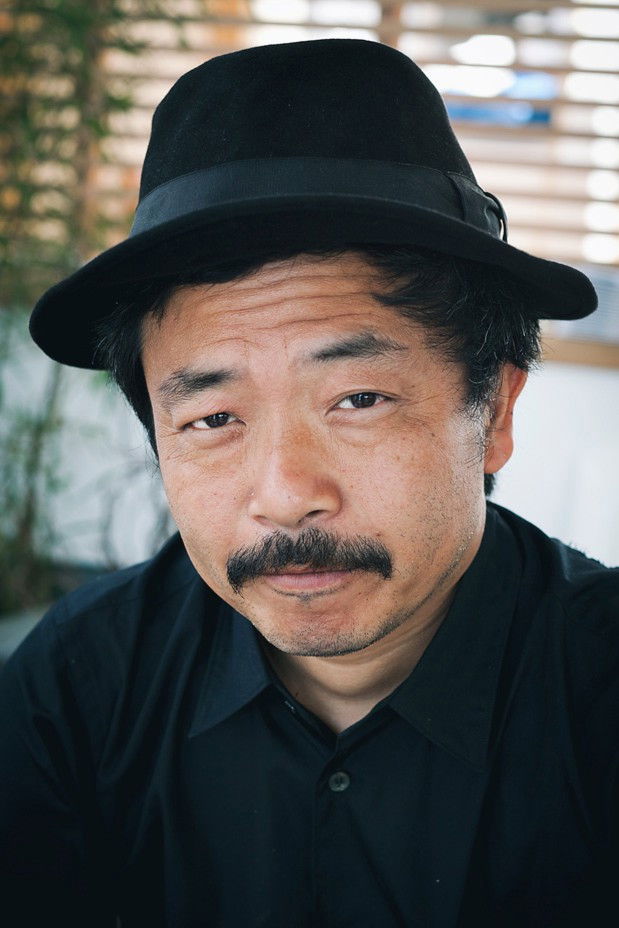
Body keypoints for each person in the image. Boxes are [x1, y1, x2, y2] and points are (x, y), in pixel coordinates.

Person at [1, 38, 617, 928]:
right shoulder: (78, 686)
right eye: (213, 418)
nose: (286, 494)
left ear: (493, 413)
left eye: (357, 399)